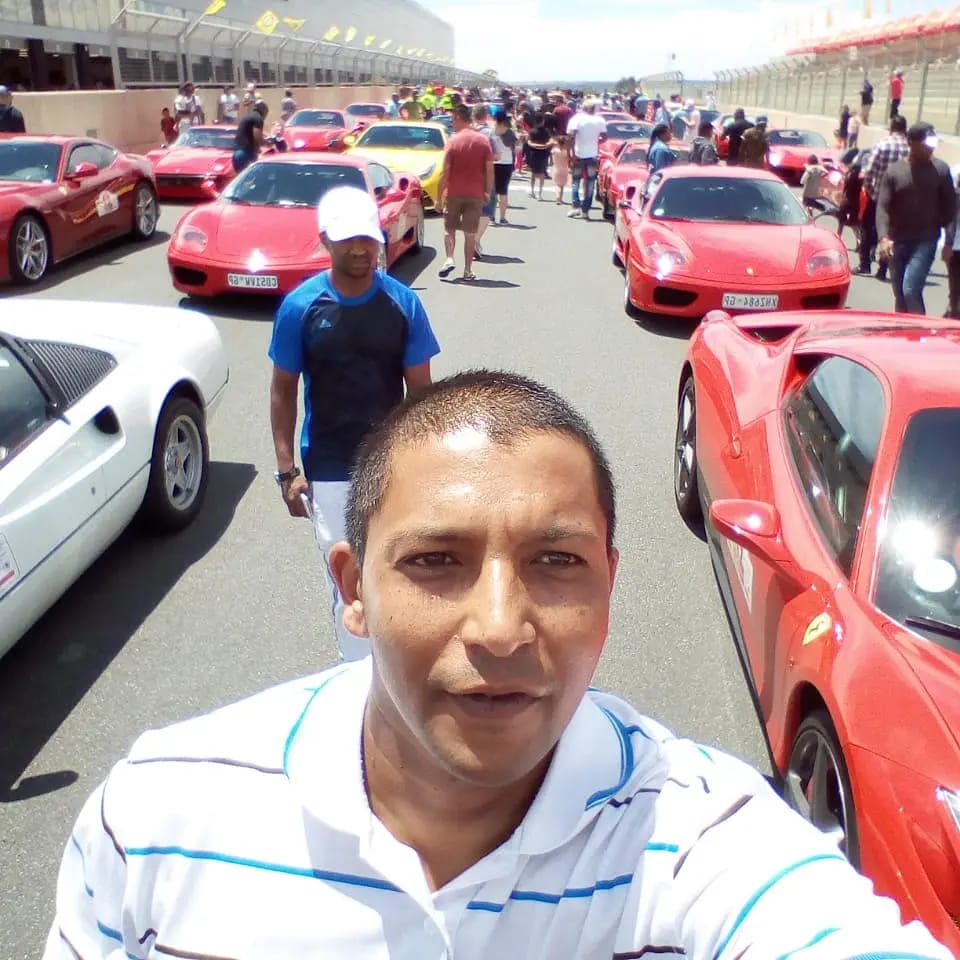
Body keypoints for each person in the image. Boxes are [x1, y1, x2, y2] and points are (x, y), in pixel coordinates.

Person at [45, 371, 954, 960]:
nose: (500, 628)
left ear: (609, 588)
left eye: (557, 561)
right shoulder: (157, 814)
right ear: (352, 589)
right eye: (434, 561)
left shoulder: (702, 837)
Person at [267, 186, 439, 663]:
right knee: (348, 577)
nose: (361, 249)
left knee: (399, 567)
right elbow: (282, 390)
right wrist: (287, 470)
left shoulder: (403, 304)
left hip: (393, 466)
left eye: (368, 238)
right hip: (330, 469)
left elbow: (421, 394)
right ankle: (357, 676)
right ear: (325, 240)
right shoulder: (301, 307)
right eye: (348, 240)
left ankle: (399, 666)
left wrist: (425, 463)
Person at [877, 122, 956, 315]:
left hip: (926, 240)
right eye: (927, 143)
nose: (931, 148)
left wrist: (949, 242)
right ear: (911, 142)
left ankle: (921, 329)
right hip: (897, 241)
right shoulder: (894, 172)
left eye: (933, 143)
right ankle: (903, 330)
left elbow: (950, 209)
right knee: (900, 295)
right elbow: (883, 207)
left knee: (910, 289)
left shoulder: (941, 170)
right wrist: (883, 238)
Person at [437, 103, 494, 281]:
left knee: (449, 229)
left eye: (453, 120)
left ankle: (449, 258)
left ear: (459, 118)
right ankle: (468, 270)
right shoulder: (482, 141)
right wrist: (487, 191)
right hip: (475, 193)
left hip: (454, 193)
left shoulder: (453, 142)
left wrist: (438, 197)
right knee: (470, 234)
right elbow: (489, 169)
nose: (452, 123)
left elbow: (445, 172)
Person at [858, 114, 909, 278]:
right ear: (905, 129)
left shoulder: (882, 144)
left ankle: (865, 264)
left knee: (867, 228)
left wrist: (869, 189)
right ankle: (883, 269)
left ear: (891, 128)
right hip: (902, 199)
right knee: (892, 233)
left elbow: (869, 171)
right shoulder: (910, 149)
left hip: (879, 195)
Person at [471, 103, 504, 258]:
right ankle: (475, 240)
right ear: (486, 116)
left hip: (464, 174)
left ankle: (473, 240)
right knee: (487, 207)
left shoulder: (464, 132)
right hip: (484, 174)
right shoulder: (489, 133)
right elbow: (497, 155)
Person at [566, 98, 606, 220]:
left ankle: (575, 206)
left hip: (578, 154)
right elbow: (604, 137)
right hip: (592, 154)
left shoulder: (576, 119)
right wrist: (595, 141)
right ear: (594, 109)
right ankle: (585, 210)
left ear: (582, 108)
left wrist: (571, 154)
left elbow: (571, 137)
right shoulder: (599, 120)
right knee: (590, 183)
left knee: (576, 181)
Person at [493, 113, 518, 221]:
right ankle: (502, 217)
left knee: (492, 191)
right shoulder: (509, 132)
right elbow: (516, 147)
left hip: (493, 162)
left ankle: (491, 214)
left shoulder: (491, 131)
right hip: (506, 163)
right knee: (503, 191)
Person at [232, 99, 267, 174]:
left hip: (237, 152)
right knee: (251, 177)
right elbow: (257, 136)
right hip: (246, 153)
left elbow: (248, 132)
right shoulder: (258, 118)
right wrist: (266, 143)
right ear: (263, 109)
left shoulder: (248, 116)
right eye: (266, 111)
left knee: (241, 177)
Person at [943, 169, 960, 318]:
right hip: (956, 247)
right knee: (955, 287)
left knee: (955, 286)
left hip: (956, 246)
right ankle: (953, 311)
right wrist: (948, 244)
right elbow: (951, 221)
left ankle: (953, 310)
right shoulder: (956, 197)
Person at [525, 112, 552, 201]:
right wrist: (545, 145)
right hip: (544, 153)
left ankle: (532, 191)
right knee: (542, 173)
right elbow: (551, 140)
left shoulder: (532, 131)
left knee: (533, 173)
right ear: (543, 121)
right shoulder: (547, 131)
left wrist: (535, 145)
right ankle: (540, 193)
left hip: (534, 153)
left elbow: (528, 141)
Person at [551, 132, 570, 204]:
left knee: (556, 184)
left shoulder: (555, 150)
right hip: (564, 169)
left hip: (556, 168)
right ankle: (560, 198)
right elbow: (568, 159)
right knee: (562, 185)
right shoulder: (566, 151)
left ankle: (557, 197)